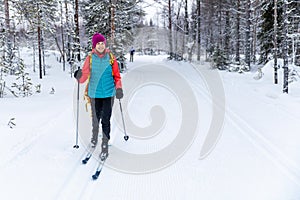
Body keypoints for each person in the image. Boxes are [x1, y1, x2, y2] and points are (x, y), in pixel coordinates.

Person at [74, 33, 123, 160]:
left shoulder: (111, 58)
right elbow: (84, 76)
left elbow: (117, 76)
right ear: (94, 45)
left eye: (102, 43)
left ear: (104, 44)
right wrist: (78, 75)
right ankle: (94, 137)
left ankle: (105, 145)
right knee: (95, 119)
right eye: (98, 44)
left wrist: (119, 89)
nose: (100, 46)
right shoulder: (90, 59)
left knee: (106, 119)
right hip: (94, 94)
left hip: (108, 93)